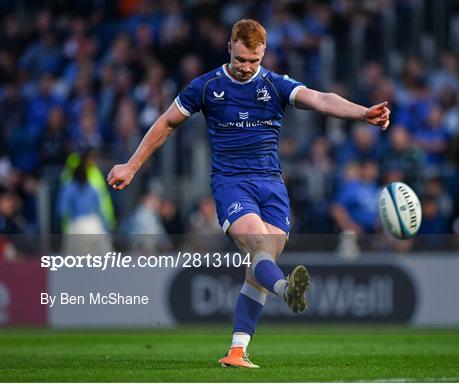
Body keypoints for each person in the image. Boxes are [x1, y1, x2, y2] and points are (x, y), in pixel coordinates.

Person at [107, 19, 390, 368]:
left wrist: (363, 112)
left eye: (252, 61)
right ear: (230, 47)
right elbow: (166, 122)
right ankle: (286, 290)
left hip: (272, 186)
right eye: (240, 59)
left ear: (263, 54)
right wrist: (132, 166)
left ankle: (237, 351)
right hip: (231, 183)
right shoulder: (206, 86)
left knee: (262, 261)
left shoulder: (274, 84)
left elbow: (319, 98)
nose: (245, 67)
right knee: (258, 246)